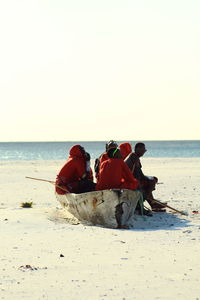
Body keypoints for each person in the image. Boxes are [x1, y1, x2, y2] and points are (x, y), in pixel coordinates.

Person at [125, 142, 165, 211]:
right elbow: (139, 175)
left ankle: (152, 203)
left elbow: (139, 174)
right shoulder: (134, 157)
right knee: (152, 181)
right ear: (138, 149)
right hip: (130, 181)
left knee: (151, 180)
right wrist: (151, 180)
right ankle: (149, 201)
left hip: (130, 179)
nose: (144, 152)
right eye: (143, 150)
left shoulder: (133, 156)